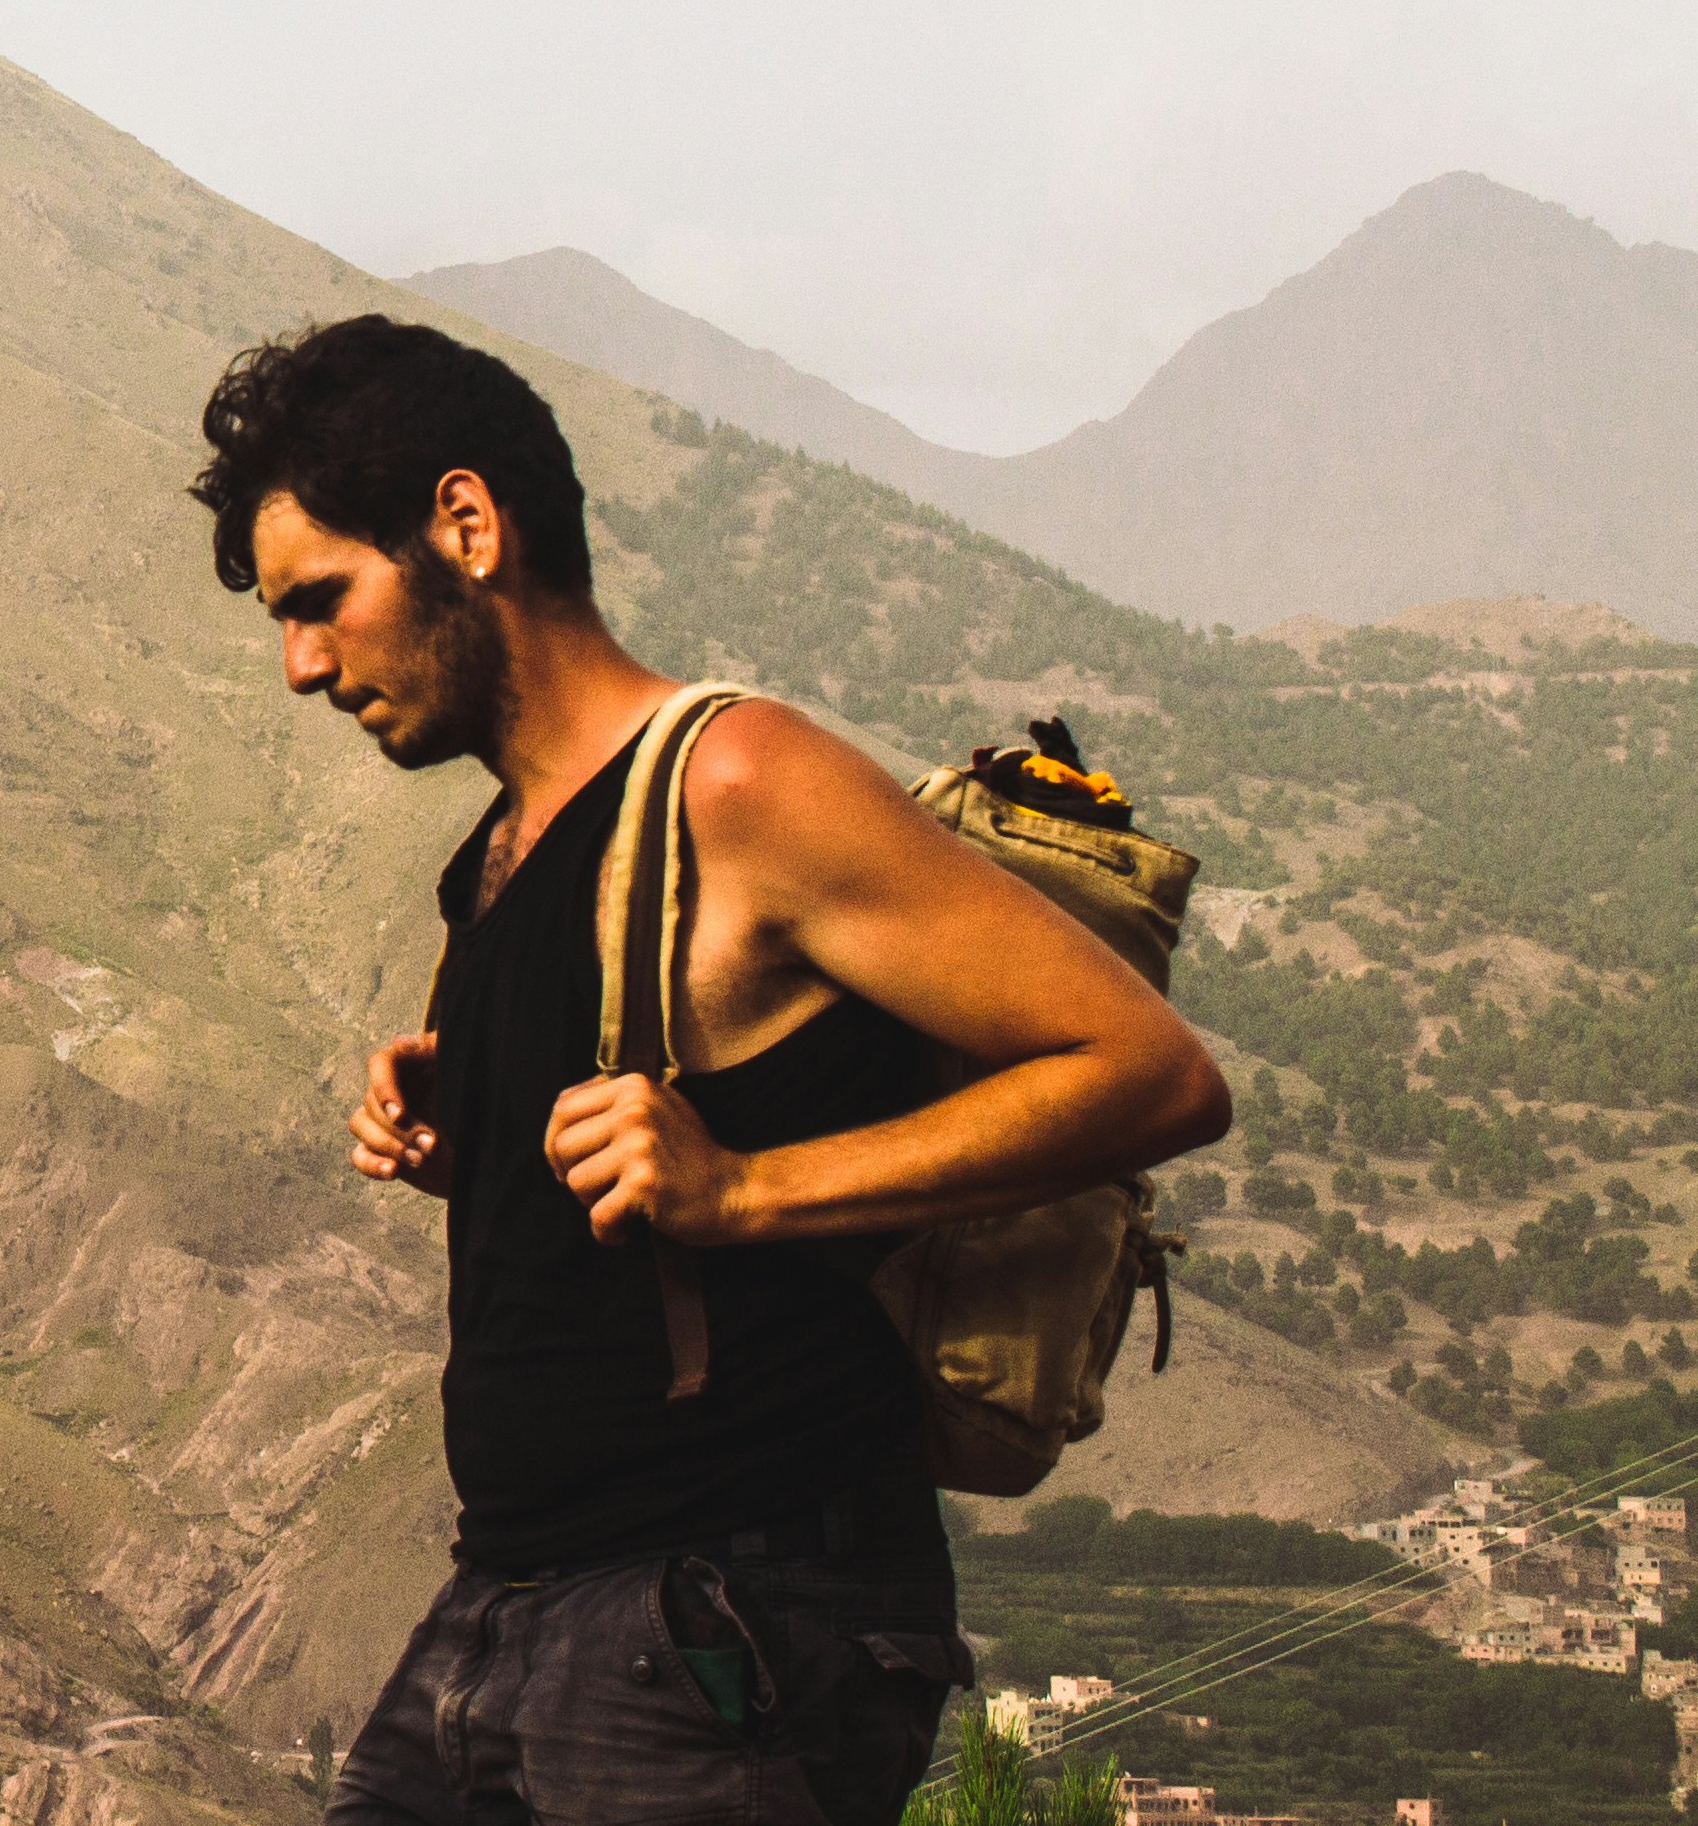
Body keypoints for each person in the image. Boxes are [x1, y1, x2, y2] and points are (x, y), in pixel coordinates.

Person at [191, 315, 1228, 1826]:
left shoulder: (736, 781)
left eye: (321, 601)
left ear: (466, 528)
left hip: (720, 1616)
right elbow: (640, 1196)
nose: (299, 666)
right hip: (507, 1607)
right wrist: (465, 1147)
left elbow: (1151, 1075)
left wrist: (747, 1189)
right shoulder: (491, 867)